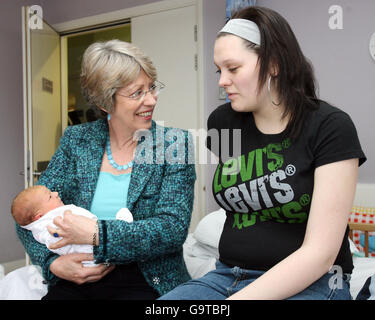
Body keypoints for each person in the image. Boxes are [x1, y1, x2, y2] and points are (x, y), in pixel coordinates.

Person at [160, 6, 366, 300]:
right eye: (220, 70)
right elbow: (238, 200)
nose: (222, 81)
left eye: (233, 68)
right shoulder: (222, 122)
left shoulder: (330, 126)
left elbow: (320, 254)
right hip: (227, 275)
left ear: (273, 64)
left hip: (314, 282)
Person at [15, 39, 196, 300]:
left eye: (152, 88)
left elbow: (172, 229)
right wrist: (52, 264)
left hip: (146, 279)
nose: (152, 99)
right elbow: (29, 218)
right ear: (104, 102)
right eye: (137, 93)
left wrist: (97, 235)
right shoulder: (76, 140)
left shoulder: (174, 144)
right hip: (80, 278)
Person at [11, 185, 133, 267]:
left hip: (97, 239)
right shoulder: (47, 226)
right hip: (87, 254)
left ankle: (116, 230)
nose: (56, 193)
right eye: (50, 196)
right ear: (39, 216)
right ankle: (120, 227)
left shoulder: (49, 214)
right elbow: (54, 240)